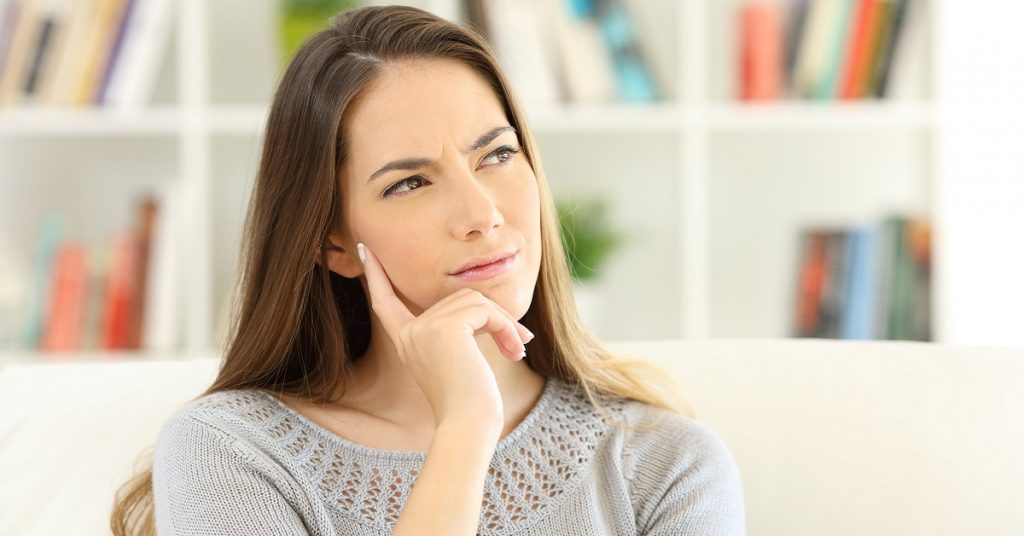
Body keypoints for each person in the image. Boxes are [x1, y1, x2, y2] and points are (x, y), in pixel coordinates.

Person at [110, 5, 745, 535]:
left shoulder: (663, 464)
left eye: (496, 154)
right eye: (411, 182)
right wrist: (466, 427)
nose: (481, 212)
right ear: (331, 240)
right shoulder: (232, 453)